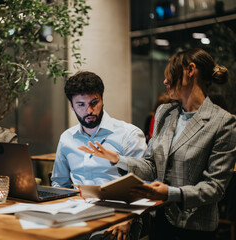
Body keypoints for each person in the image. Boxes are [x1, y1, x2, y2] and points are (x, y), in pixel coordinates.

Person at [79, 48, 236, 240]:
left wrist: (170, 193)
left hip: (194, 227)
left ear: (191, 70)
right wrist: (117, 159)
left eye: (169, 73)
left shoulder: (222, 122)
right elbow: (152, 165)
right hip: (158, 220)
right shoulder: (165, 113)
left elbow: (215, 188)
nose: (165, 81)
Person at [51, 71, 147, 188]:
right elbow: (59, 183)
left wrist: (118, 159)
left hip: (118, 203)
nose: (89, 111)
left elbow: (145, 180)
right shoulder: (67, 138)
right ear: (71, 106)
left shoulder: (129, 134)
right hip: (77, 203)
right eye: (81, 105)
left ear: (102, 100)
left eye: (94, 103)